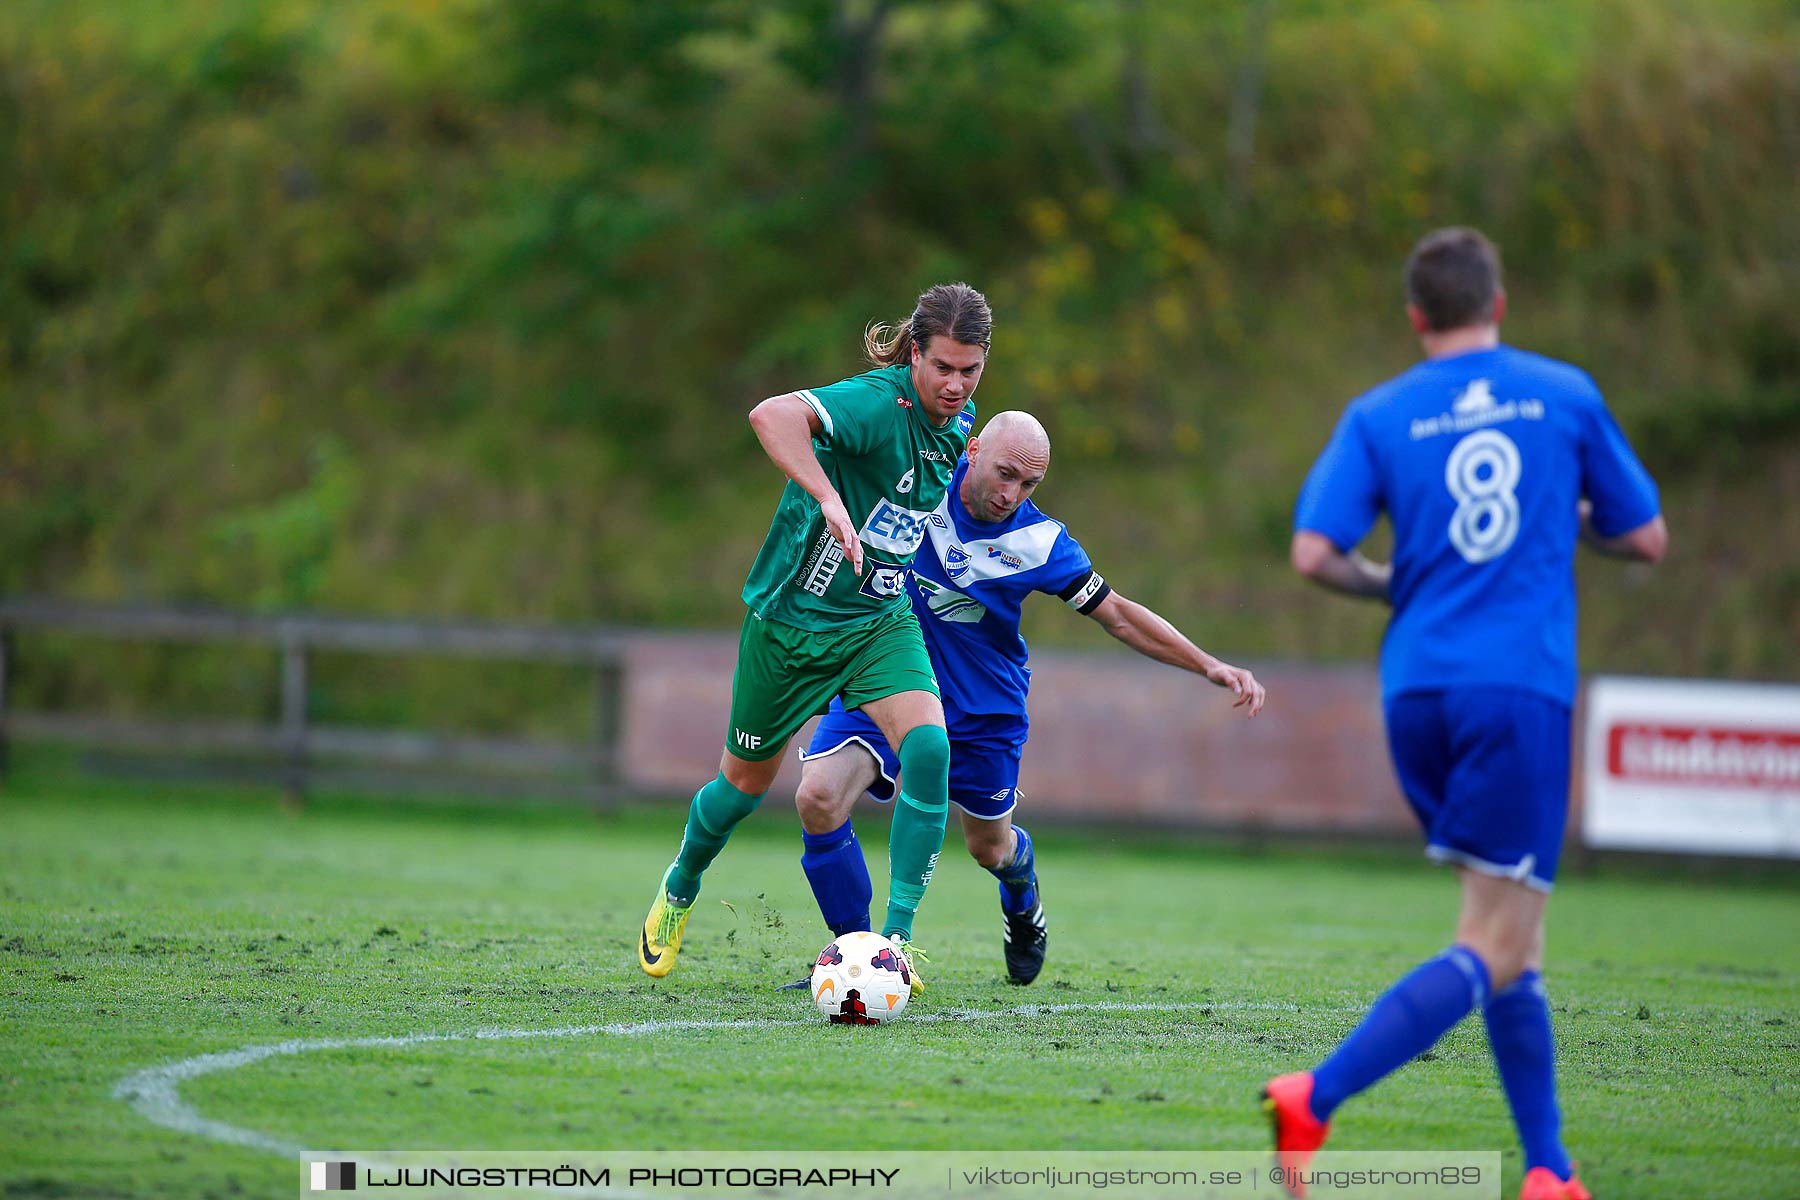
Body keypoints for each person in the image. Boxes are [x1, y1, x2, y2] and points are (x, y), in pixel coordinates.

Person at [1265, 228, 1666, 1200]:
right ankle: (1315, 1095)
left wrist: (1396, 584)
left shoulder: (1379, 412)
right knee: (1493, 938)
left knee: (1511, 942)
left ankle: (1548, 1171)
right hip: (1516, 690)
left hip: (1417, 692)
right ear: (1500, 303)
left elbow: (1316, 554)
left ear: (1415, 318)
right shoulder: (1564, 394)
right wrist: (1567, 519)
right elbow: (1645, 537)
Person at [785, 410, 1264, 988]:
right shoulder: (922, 474)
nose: (1011, 494)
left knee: (989, 848)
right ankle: (859, 959)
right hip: (888, 684)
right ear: (974, 447)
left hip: (982, 712)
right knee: (817, 796)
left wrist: (1207, 663)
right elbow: (880, 414)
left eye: (1028, 484)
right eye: (1005, 474)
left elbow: (1116, 615)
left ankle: (1021, 885)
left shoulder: (1040, 542)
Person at [638, 283, 992, 989]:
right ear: (914, 354)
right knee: (741, 786)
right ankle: (679, 888)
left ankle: (894, 941)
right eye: (943, 367)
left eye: (970, 369)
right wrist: (828, 497)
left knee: (928, 745)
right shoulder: (873, 404)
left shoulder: (958, 421)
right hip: (791, 624)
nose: (955, 384)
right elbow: (771, 415)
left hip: (877, 622)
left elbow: (916, 492)